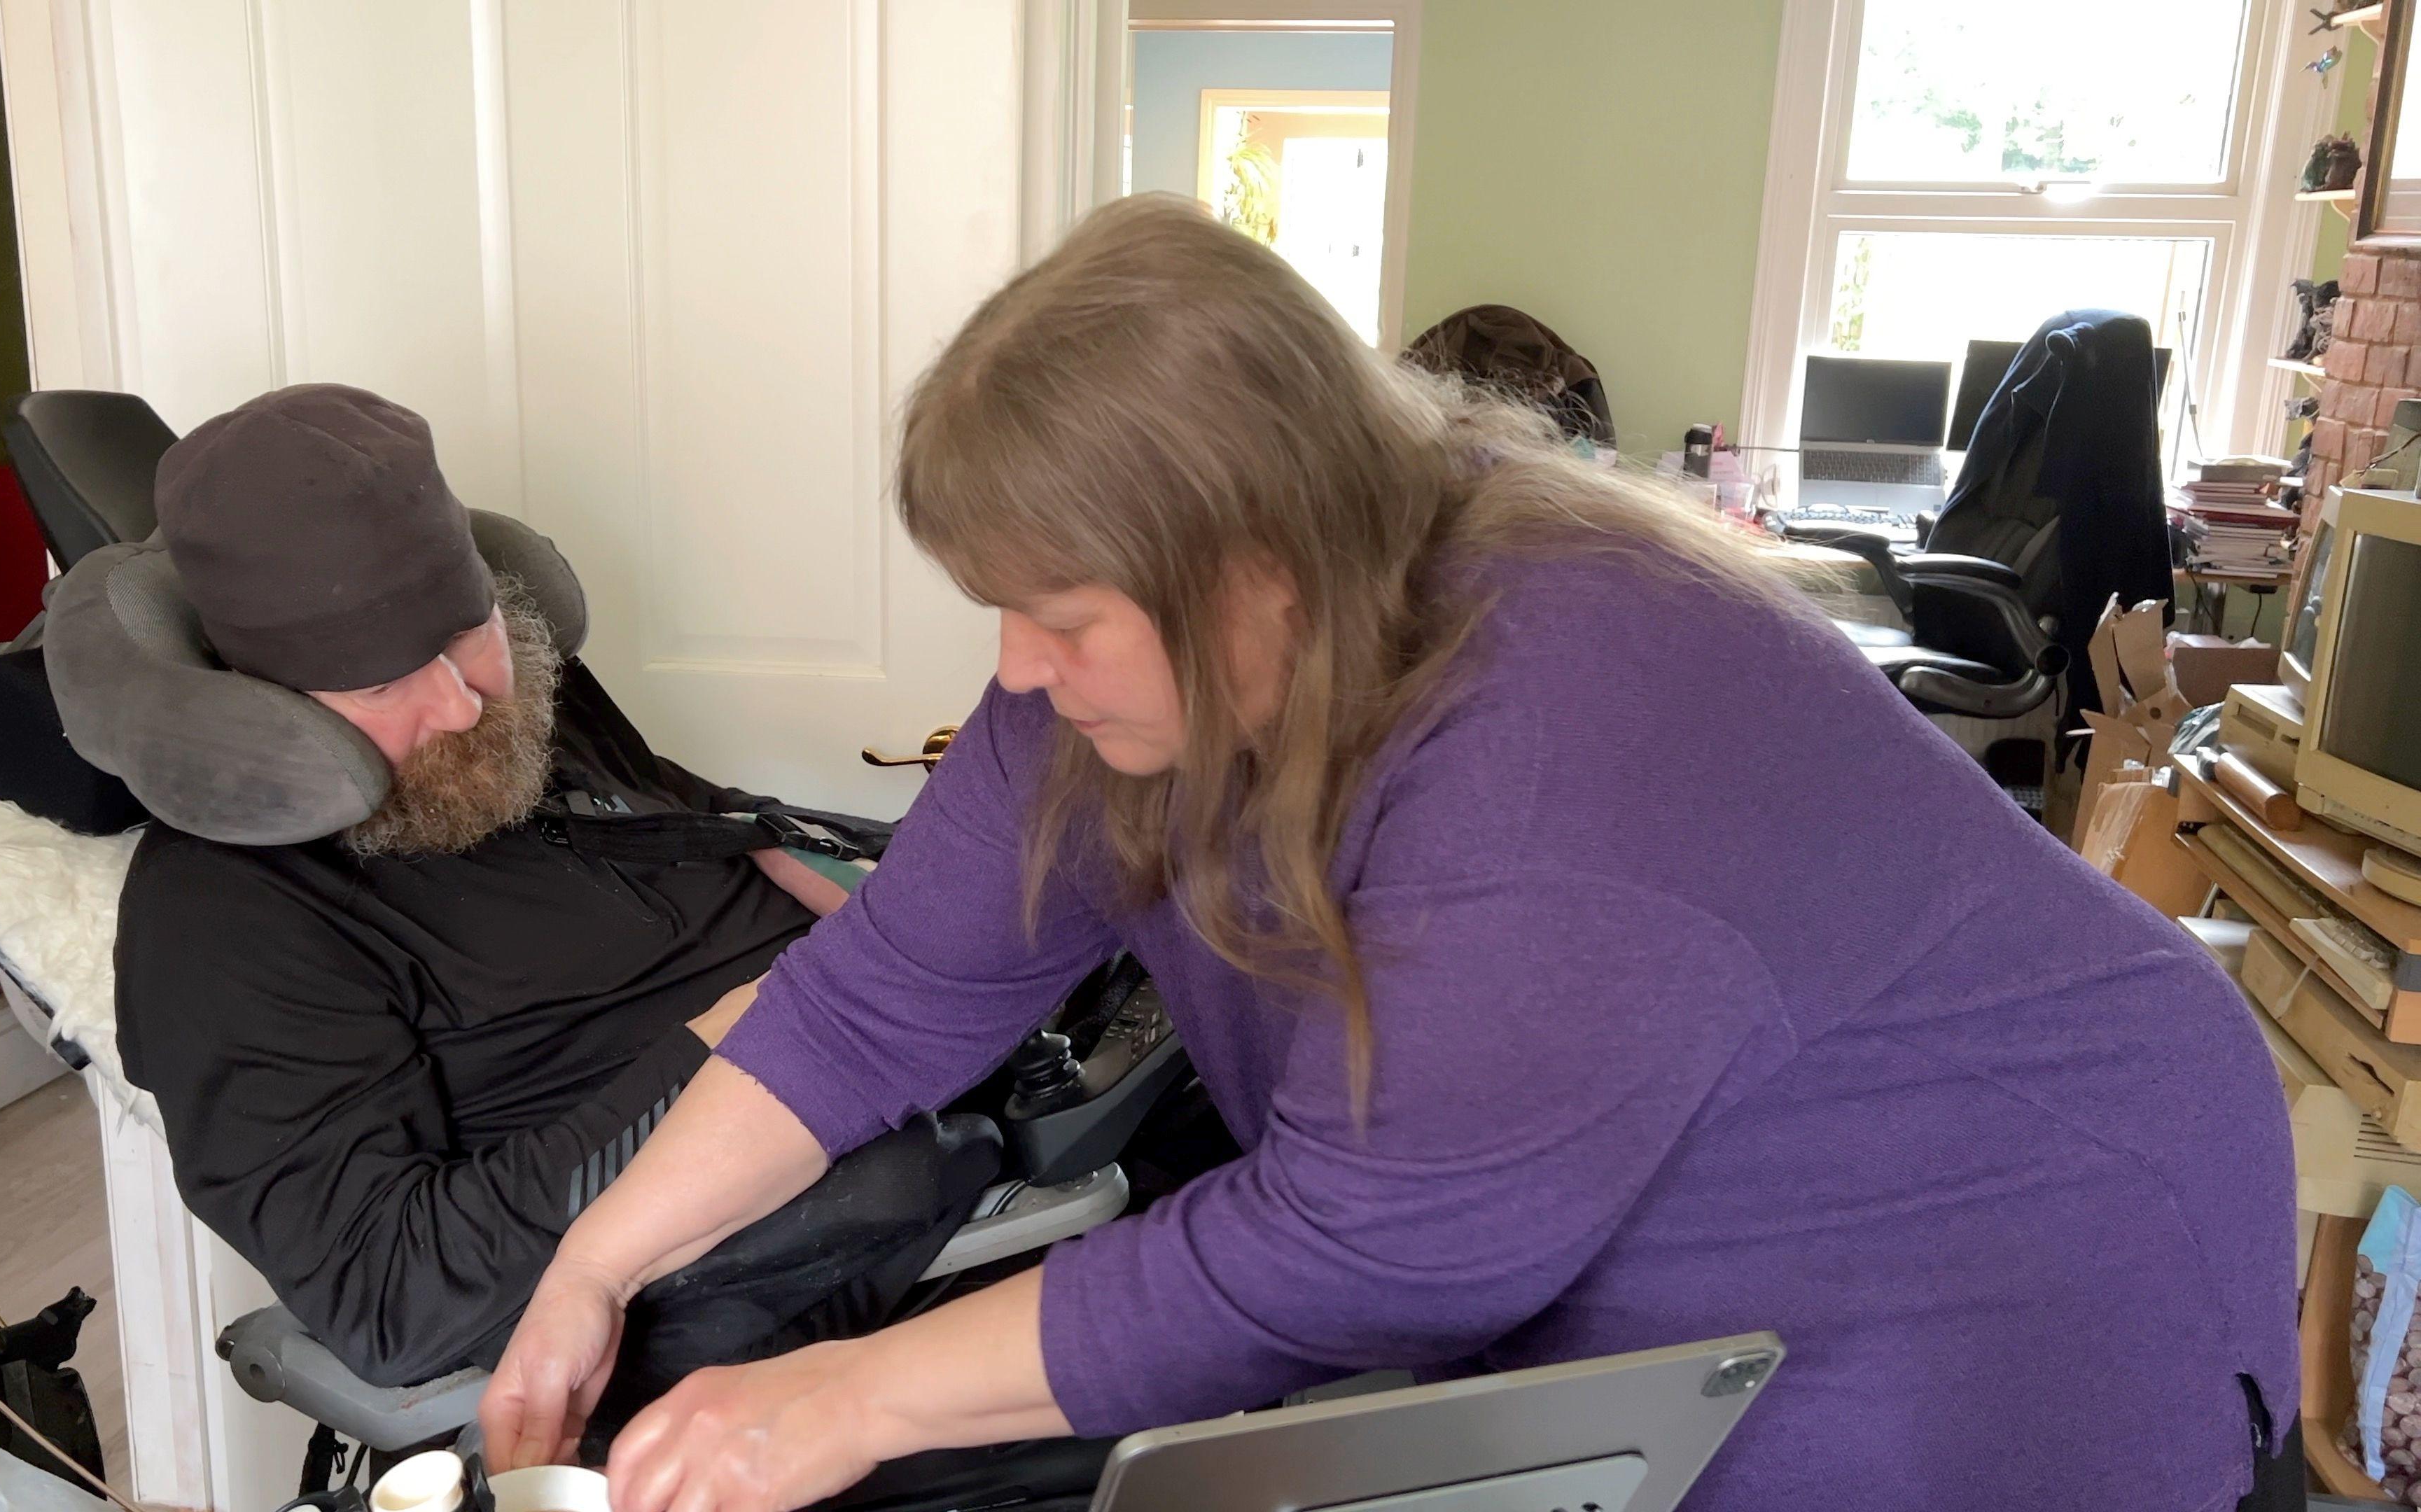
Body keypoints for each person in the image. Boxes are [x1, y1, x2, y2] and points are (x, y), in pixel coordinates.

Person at [481, 195, 2301, 1511]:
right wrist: (596, 1266)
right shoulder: (1164, 656)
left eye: (1059, 615)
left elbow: (1352, 1257)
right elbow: (893, 987)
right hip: (1650, 1247)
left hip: (2004, 1248)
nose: (1015, 675)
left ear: (1253, 563)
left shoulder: (1562, 741)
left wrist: (851, 1399)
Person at [113, 384, 956, 1388]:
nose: (465, 706)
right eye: (383, 683)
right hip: (781, 1274)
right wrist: (772, 1031)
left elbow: (700, 818)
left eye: (468, 633)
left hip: (921, 1048)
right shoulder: (221, 923)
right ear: (263, 707)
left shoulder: (520, 695)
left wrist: (880, 885)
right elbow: (394, 1296)